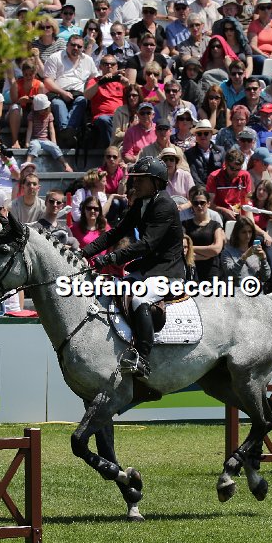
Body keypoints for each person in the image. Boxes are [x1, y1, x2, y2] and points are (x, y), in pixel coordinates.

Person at [82, 157, 185, 379]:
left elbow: (146, 244)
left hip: (168, 272)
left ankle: (142, 358)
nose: (134, 183)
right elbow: (114, 234)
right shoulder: (141, 203)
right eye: (134, 178)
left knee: (139, 299)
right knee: (112, 291)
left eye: (140, 179)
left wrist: (109, 258)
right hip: (148, 270)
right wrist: (85, 252)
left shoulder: (165, 205)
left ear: (156, 182)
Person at [182, 186, 225, 280]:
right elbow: (182, 249)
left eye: (202, 203)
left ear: (208, 203)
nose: (199, 206)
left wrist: (191, 248)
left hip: (211, 271)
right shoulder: (185, 225)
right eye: (195, 203)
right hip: (190, 271)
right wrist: (206, 255)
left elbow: (216, 249)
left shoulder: (215, 225)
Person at [207, 148, 252, 223]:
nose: (235, 172)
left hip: (238, 212)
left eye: (238, 169)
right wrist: (224, 210)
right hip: (219, 213)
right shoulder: (214, 177)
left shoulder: (245, 176)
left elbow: (247, 200)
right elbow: (209, 204)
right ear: (226, 164)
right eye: (232, 168)